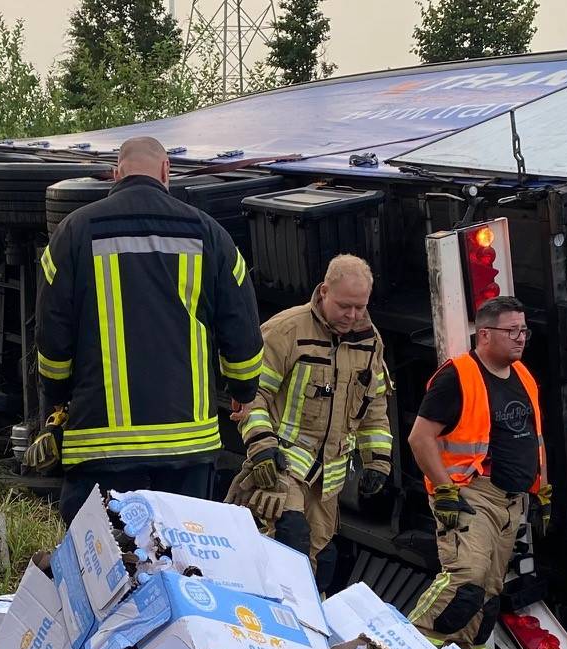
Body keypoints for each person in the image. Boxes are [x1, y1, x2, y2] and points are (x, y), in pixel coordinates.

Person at [28, 135, 265, 521]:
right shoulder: (211, 234)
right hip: (187, 445)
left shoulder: (73, 232)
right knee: (179, 562)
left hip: (101, 443)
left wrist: (56, 397)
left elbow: (52, 336)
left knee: (101, 566)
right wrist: (243, 389)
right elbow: (242, 330)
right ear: (166, 171)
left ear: (115, 173)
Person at [404, 297, 548, 649]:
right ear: (484, 334)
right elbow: (420, 438)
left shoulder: (523, 376)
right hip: (472, 492)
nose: (521, 338)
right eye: (512, 330)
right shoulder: (458, 377)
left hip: (512, 499)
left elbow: (534, 438)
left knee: (488, 594)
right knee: (467, 579)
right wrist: (445, 489)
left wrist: (541, 490)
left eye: (524, 330)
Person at [232, 254, 392, 581]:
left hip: (326, 481)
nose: (353, 315)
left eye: (360, 307)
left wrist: (377, 461)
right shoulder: (286, 331)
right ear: (323, 292)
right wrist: (261, 447)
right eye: (344, 305)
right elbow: (253, 396)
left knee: (318, 567)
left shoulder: (370, 342)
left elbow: (374, 406)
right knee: (289, 540)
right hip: (281, 467)